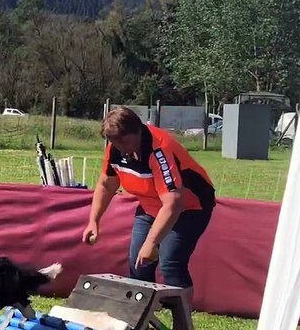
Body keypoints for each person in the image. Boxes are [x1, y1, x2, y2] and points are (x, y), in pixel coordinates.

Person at [83, 107, 215, 307]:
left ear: (138, 130)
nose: (121, 148)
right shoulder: (116, 149)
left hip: (189, 207)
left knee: (171, 264)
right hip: (151, 206)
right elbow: (106, 185)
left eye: (124, 141)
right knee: (138, 263)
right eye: (114, 142)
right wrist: (94, 220)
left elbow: (173, 203)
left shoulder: (160, 150)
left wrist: (151, 242)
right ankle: (140, 327)